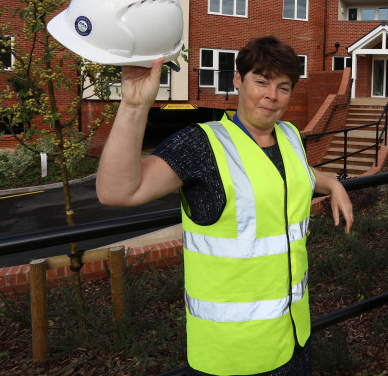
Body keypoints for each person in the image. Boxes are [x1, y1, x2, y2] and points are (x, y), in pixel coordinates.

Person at [97, 35, 353, 376]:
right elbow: (117, 191)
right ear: (237, 80)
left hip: (293, 336)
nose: (271, 96)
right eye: (260, 82)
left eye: (283, 87)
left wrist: (331, 183)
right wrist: (133, 106)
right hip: (233, 354)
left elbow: (295, 173)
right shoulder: (202, 144)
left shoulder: (289, 135)